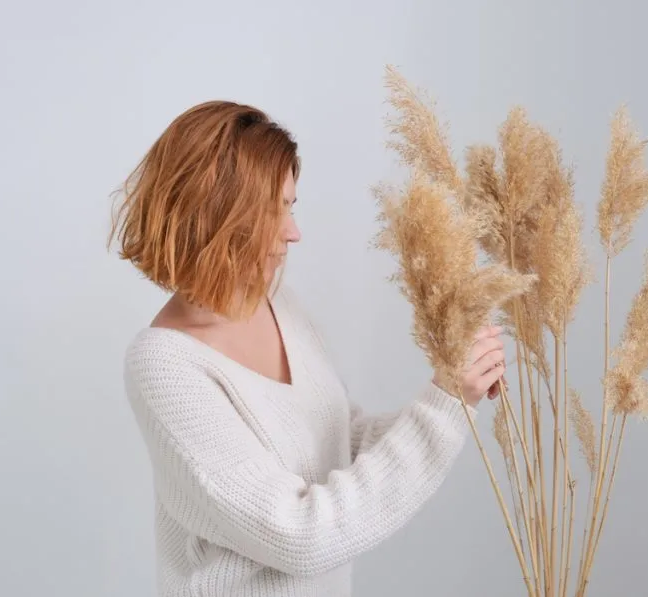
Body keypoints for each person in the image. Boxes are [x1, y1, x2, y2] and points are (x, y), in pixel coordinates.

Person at [109, 100, 506, 597]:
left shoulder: (280, 305)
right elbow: (299, 535)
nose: (293, 232)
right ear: (214, 214)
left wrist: (452, 391)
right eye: (271, 211)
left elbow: (342, 442)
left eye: (290, 206)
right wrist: (445, 405)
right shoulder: (164, 366)